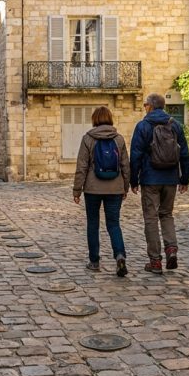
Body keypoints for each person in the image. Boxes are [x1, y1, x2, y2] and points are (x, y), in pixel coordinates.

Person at [129, 93, 189, 274]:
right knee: (167, 215)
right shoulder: (175, 125)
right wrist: (184, 178)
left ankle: (155, 261)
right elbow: (185, 154)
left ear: (150, 106)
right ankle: (171, 248)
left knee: (151, 218)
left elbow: (136, 155)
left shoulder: (143, 126)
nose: (144, 108)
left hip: (150, 179)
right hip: (170, 178)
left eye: (145, 105)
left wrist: (134, 180)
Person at [73, 106, 131, 277]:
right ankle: (119, 255)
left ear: (94, 119)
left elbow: (81, 166)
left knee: (93, 224)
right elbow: (125, 166)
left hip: (92, 188)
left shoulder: (88, 139)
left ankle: (94, 261)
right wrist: (125, 186)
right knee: (114, 224)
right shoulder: (119, 139)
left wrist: (77, 190)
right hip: (115, 187)